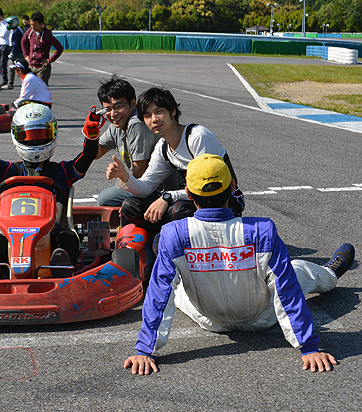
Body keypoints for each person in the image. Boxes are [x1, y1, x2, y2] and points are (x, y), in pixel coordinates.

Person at [124, 153, 355, 375]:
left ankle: (328, 274)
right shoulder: (262, 230)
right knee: (294, 271)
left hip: (209, 319)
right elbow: (286, 290)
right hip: (262, 318)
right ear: (233, 187)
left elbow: (159, 293)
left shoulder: (172, 234)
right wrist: (309, 347)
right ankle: (330, 274)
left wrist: (145, 350)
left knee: (170, 288)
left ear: (188, 194)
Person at [0, 102, 104, 279]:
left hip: (50, 230)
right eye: (28, 135)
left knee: (68, 239)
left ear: (53, 133)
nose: (35, 141)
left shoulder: (62, 172)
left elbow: (87, 157)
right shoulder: (9, 171)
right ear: (16, 136)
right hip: (9, 232)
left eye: (41, 135)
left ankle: (60, 271)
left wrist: (91, 134)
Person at [106, 87, 244, 234]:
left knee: (178, 211)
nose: (154, 119)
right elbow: (146, 187)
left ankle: (171, 240)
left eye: (159, 111)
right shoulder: (163, 148)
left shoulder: (198, 137)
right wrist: (124, 176)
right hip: (192, 201)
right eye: (147, 115)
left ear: (172, 111)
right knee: (130, 206)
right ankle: (151, 245)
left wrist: (168, 197)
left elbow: (207, 186)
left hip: (222, 202)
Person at [94, 75, 160, 207]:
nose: (113, 114)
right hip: (144, 182)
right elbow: (97, 153)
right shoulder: (117, 125)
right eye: (107, 109)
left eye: (118, 106)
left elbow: (140, 168)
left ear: (133, 103)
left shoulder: (137, 124)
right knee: (108, 197)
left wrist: (132, 198)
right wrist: (91, 134)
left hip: (157, 187)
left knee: (105, 199)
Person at [21, 11, 63, 86]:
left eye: (35, 25)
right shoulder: (30, 32)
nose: (33, 27)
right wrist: (26, 55)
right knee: (28, 89)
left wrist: (50, 60)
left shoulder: (47, 34)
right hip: (31, 67)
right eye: (31, 25)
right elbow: (23, 42)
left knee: (40, 90)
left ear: (41, 24)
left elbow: (59, 48)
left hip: (42, 68)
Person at [1, 16, 24, 90]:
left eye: (10, 23)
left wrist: (12, 53)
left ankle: (10, 84)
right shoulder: (16, 31)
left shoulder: (16, 32)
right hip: (19, 52)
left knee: (13, 68)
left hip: (18, 53)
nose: (8, 25)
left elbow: (15, 44)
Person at [0, 8, 12, 88]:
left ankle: (5, 80)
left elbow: (4, 34)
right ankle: (4, 78)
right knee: (0, 63)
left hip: (5, 44)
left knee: (3, 62)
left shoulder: (6, 22)